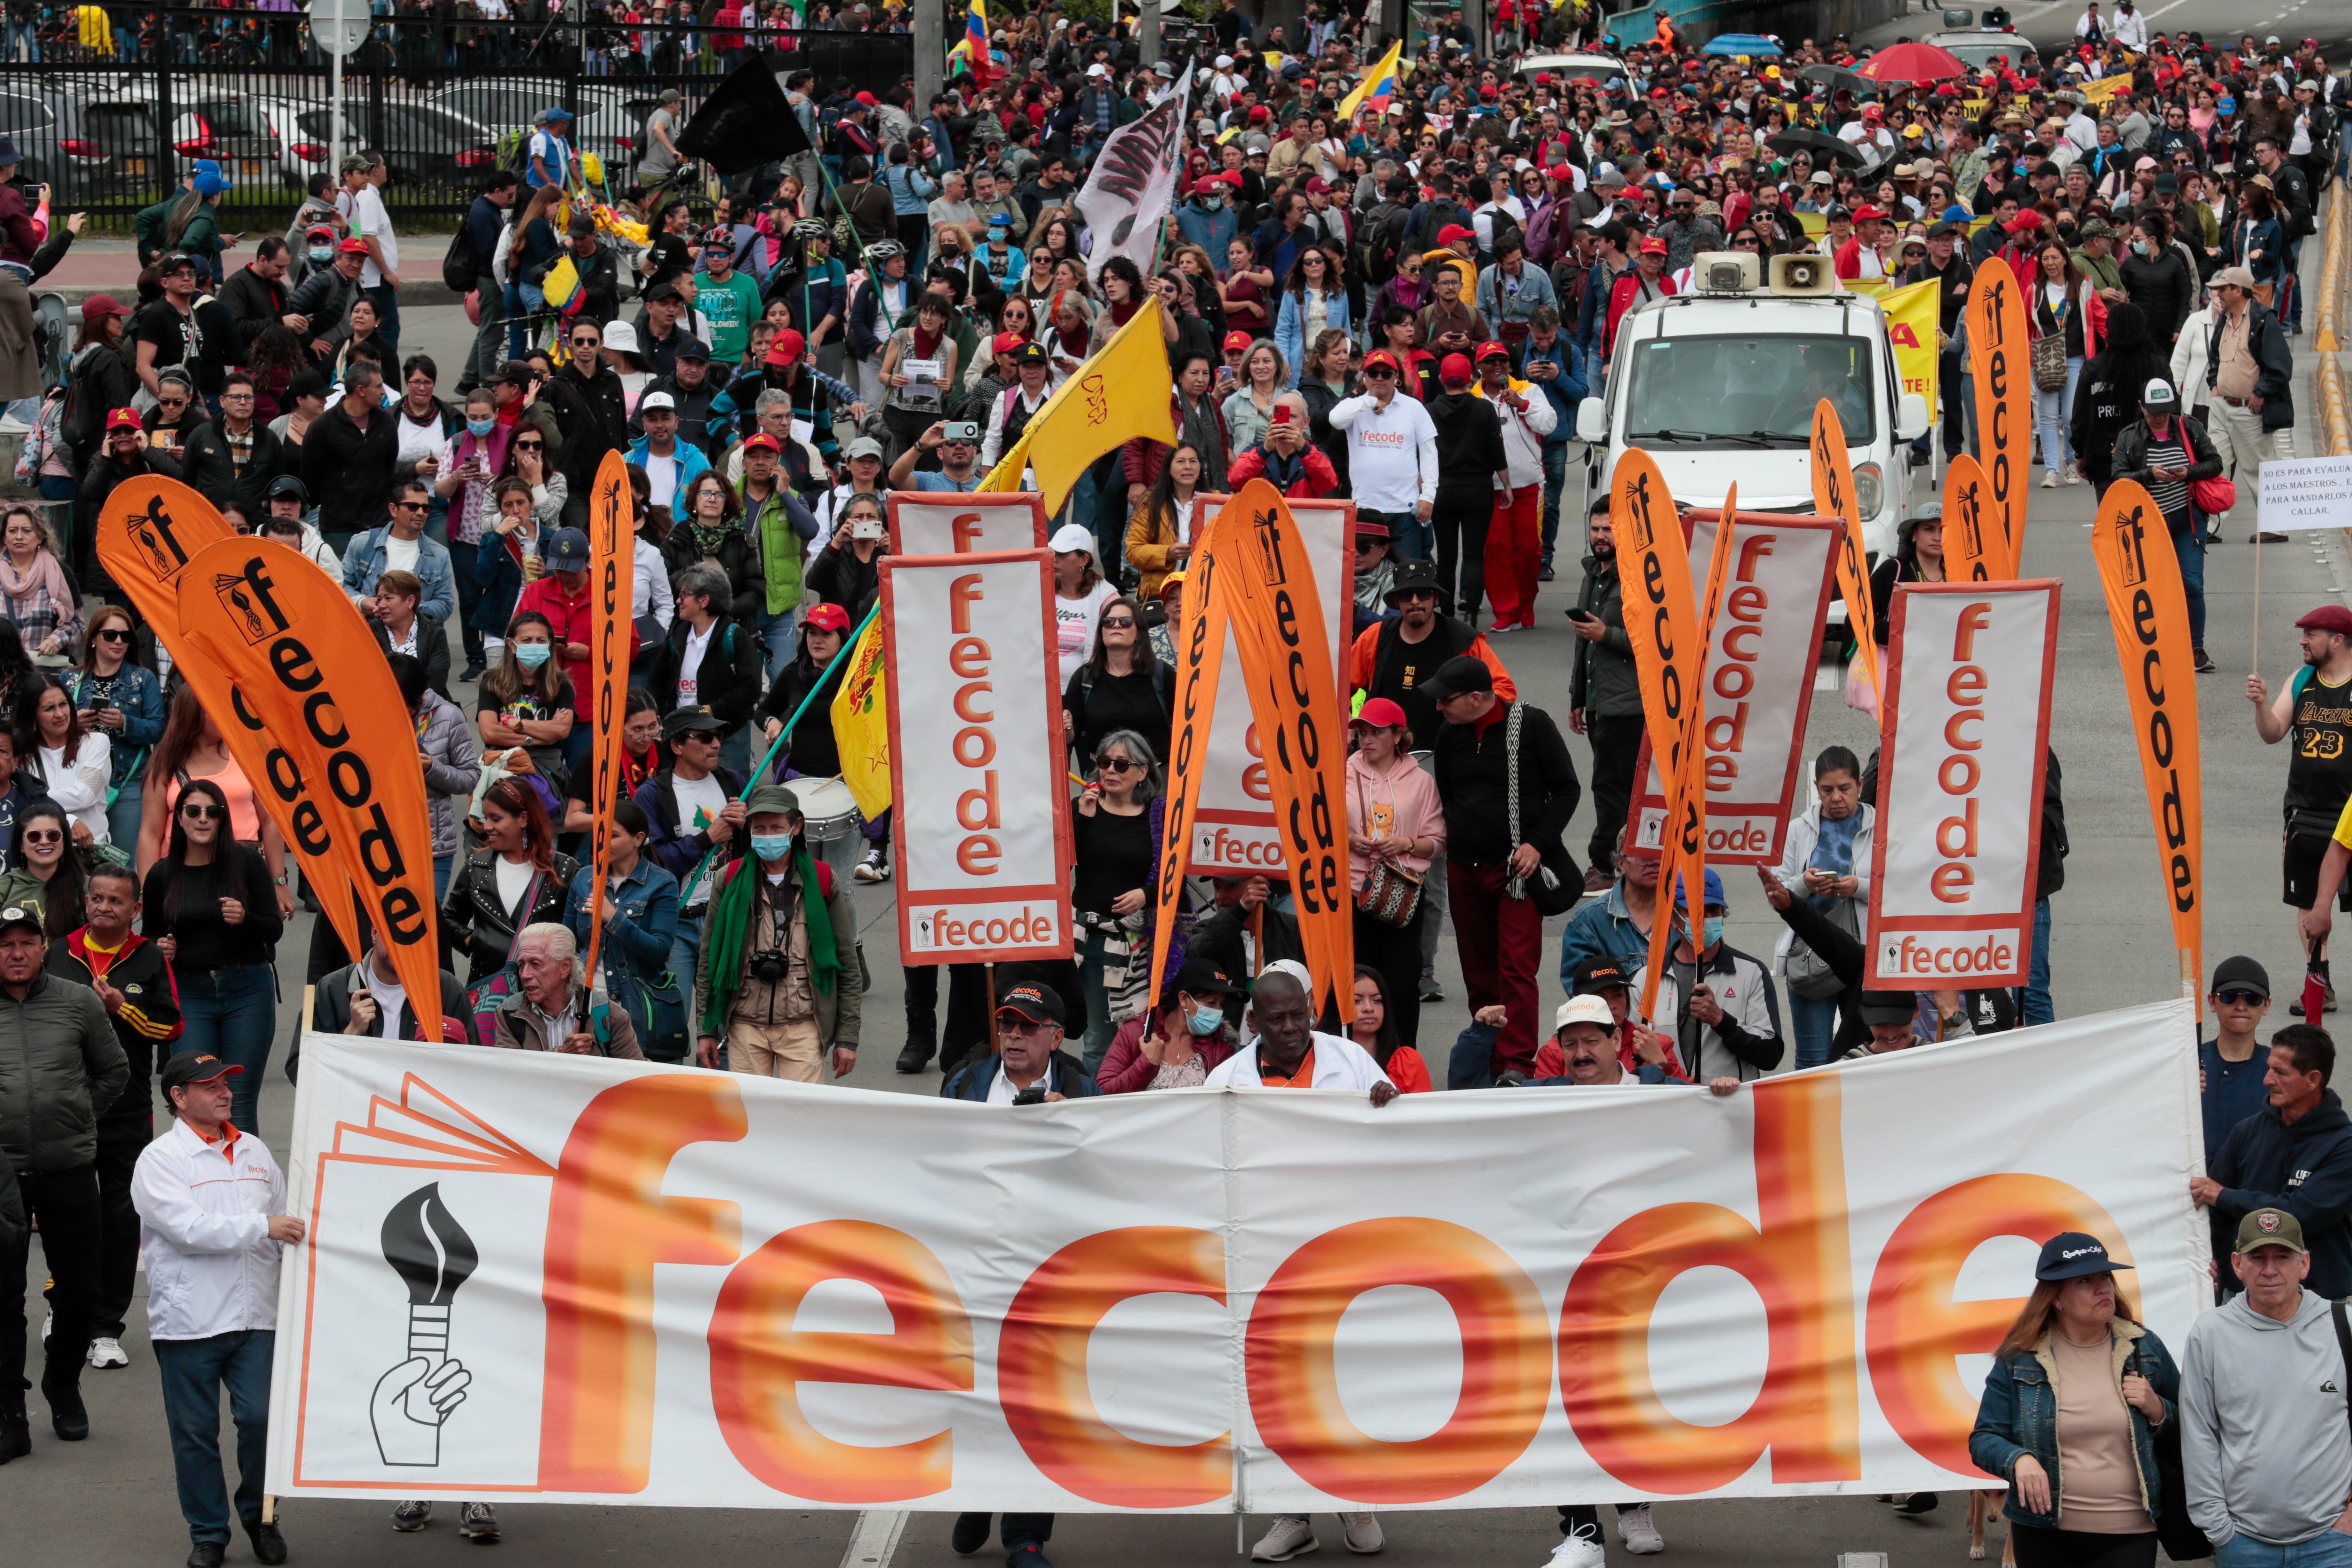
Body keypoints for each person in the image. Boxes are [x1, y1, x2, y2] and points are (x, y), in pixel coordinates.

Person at [129, 1051, 302, 1568]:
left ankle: (261, 1516)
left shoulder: (254, 1151)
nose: (224, 1092)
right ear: (179, 1098)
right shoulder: (159, 1160)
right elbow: (188, 1231)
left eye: (226, 1082)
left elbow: (286, 1222)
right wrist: (262, 1229)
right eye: (209, 1086)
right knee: (195, 1433)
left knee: (261, 1420)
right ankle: (208, 1532)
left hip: (258, 1317)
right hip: (189, 1320)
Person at [0, 898, 124, 1462]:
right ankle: (9, 1411)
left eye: (27, 942)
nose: (17, 953)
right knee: (2, 1299)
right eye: (5, 945)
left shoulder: (77, 1003)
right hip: (2, 1177)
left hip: (68, 1166)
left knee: (80, 1290)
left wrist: (76, 1115)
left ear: (43, 948)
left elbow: (114, 1071)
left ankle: (63, 1382)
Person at [1967, 1232, 2175, 1568]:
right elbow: (1984, 1438)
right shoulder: (2019, 1358)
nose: (2102, 1287)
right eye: (2085, 1280)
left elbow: (2196, 1429)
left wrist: (2159, 1410)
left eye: (2105, 1276)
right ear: (2056, 1298)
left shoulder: (2146, 1348)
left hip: (2129, 1532)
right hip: (2042, 1531)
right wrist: (2019, 1459)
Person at [42, 861, 178, 1375]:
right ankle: (62, 1309)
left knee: (122, 1219)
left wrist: (124, 1008)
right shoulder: (60, 953)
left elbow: (171, 1027)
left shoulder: (147, 959)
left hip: (126, 1110)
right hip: (65, 1109)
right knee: (66, 1213)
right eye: (96, 898)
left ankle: (104, 1327)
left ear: (135, 909)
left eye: (115, 900)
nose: (103, 907)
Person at [1424, 653, 1579, 1080]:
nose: (1438, 707)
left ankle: (1516, 1063)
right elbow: (1448, 795)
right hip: (1464, 869)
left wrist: (1536, 843)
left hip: (1516, 874)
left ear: (1476, 697)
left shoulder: (1532, 725)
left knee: (1516, 969)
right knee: (1477, 969)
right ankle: (1487, 1053)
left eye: (1445, 700)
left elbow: (1567, 789)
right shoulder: (1449, 733)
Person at [2179, 1207, 2352, 1564]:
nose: (2270, 1270)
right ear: (2237, 1264)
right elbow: (2199, 1434)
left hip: (2335, 1542)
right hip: (2243, 1543)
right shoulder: (2210, 1333)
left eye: (2282, 1256)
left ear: (2304, 1263)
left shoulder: (2344, 1325)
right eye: (2257, 1257)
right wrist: (2218, 1528)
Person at [140, 779, 280, 1134]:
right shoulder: (161, 875)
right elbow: (149, 936)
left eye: (212, 812)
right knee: (195, 1098)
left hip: (247, 987)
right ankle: (196, 1186)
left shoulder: (247, 862)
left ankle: (247, 1187)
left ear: (222, 819)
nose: (203, 819)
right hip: (189, 992)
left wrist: (245, 918)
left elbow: (273, 928)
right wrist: (161, 948)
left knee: (239, 1100)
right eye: (193, 811)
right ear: (180, 819)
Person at [694, 783, 860, 1082]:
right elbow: (709, 958)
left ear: (796, 827)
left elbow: (847, 962)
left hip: (804, 1025)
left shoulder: (823, 880)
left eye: (776, 827)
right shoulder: (728, 879)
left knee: (802, 1119)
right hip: (745, 1024)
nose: (767, 835)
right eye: (759, 828)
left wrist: (848, 1038)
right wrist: (706, 1030)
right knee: (750, 1120)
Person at [2192, 1024, 2352, 1298]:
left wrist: (2226, 1197)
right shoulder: (2247, 1131)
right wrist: (2210, 1260)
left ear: (2313, 1079)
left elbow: (2300, 1214)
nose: (2266, 1080)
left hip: (2319, 1302)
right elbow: (2212, 1214)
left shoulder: (2343, 1146)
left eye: (2280, 1072)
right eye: (2269, 1068)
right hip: (2241, 1296)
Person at [2251, 605, 2352, 1013]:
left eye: (2311, 633)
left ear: (2338, 639)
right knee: (2308, 904)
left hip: (2349, 814)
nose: (2302, 640)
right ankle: (2319, 979)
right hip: (2305, 812)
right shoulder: (2302, 681)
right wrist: (2260, 705)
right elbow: (2273, 733)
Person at [1346, 697, 1443, 1052]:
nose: (1366, 739)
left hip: (1401, 895)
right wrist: (1350, 839)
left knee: (1402, 985)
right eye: (1362, 732)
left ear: (1399, 735)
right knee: (1358, 984)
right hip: (1354, 893)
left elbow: (1437, 842)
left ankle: (1404, 1060)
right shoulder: (1342, 772)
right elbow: (1320, 830)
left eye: (1376, 732)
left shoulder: (1420, 781)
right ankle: (1359, 1059)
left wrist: (1405, 843)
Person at [1632, 866, 1785, 1086]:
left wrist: (1721, 1020)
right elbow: (1630, 1055)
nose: (1706, 918)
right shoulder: (1647, 979)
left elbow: (1771, 1056)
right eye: (1695, 910)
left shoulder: (1751, 972)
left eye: (1714, 910)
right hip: (1666, 1104)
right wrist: (1670, 1073)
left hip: (1728, 1104)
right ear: (1673, 917)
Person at [2110, 377, 2222, 671]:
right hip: (2149, 525)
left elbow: (2215, 463)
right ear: (2142, 408)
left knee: (2192, 584)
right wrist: (2149, 475)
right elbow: (2118, 477)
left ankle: (2195, 648)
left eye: (2165, 411)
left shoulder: (2190, 427)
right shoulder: (2129, 436)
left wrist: (2189, 472)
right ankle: (2157, 647)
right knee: (2154, 588)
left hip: (2189, 521)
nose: (2160, 417)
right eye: (2153, 412)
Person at [1772, 747, 1874, 1071]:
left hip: (1864, 956)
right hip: (1810, 955)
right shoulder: (1798, 829)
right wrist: (1805, 883)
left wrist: (1857, 886)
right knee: (1813, 1060)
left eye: (1844, 788)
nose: (1836, 798)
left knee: (1864, 1056)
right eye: (1827, 790)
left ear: (1859, 784)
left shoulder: (1882, 827)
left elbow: (1900, 889)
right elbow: (1777, 890)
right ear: (1816, 788)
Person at [562, 799, 683, 1064]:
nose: (602, 843)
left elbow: (659, 951)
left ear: (638, 839)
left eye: (613, 836)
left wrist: (614, 918)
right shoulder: (584, 878)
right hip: (584, 1004)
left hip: (635, 1009)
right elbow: (566, 943)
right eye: (599, 835)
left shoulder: (662, 883)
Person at [1568, 494, 1641, 888]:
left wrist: (1607, 634)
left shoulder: (1638, 578)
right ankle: (1624, 860)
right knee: (1613, 785)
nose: (1600, 536)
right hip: (1600, 704)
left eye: (1608, 529)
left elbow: (1655, 641)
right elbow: (1584, 646)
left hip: (1628, 705)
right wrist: (1578, 698)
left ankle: (1605, 863)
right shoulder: (1592, 575)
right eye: (1595, 529)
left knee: (1612, 786)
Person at [440, 776, 575, 985]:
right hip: (487, 990)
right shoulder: (476, 865)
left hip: (545, 992)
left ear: (523, 819)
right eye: (486, 818)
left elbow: (579, 935)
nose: (487, 827)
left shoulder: (564, 870)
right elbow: (448, 918)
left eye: (496, 819)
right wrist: (474, 941)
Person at [2200, 266, 2298, 536]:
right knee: (2214, 465)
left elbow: (2280, 365)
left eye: (2223, 288)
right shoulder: (2225, 318)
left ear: (2238, 291)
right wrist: (2215, 385)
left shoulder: (2263, 320)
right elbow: (2215, 356)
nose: (2218, 293)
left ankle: (2275, 527)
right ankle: (2210, 526)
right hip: (2222, 406)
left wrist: (2261, 392)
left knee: (2258, 469)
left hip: (2249, 409)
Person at [1329, 348, 1440, 561]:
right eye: (1373, 373)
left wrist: (1428, 496)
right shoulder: (1356, 406)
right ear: (1365, 377)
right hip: (1365, 508)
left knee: (1408, 576)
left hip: (1405, 510)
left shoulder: (1413, 407)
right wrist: (1370, 401)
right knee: (1365, 576)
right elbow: (1335, 419)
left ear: (1396, 377)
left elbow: (1429, 454)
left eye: (1386, 374)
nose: (1379, 378)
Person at [485, 923, 646, 1059]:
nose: (525, 975)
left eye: (536, 964)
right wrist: (561, 1054)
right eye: (521, 965)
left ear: (565, 967)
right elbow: (509, 1074)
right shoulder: (510, 1013)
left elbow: (634, 1079)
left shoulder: (608, 1015)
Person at [1094, 959, 1241, 1093]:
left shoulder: (1221, 1045)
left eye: (1222, 1005)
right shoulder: (1136, 1031)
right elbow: (1103, 1092)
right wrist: (1147, 1063)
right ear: (1184, 999)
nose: (1218, 1011)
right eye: (1211, 1003)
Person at [1063, 600, 1172, 769]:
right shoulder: (1085, 678)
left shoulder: (1161, 674)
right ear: (1101, 632)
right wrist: (1067, 728)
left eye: (1126, 621)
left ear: (1138, 633)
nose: (1116, 626)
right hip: (1103, 777)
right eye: (1108, 622)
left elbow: (1186, 725)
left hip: (1156, 778)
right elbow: (1071, 737)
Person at [2202, 957, 2276, 1157]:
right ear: (2212, 1001)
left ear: (2267, 1005)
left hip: (2254, 1187)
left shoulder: (2279, 1072)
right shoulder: (2188, 1065)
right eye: (2229, 997)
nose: (2241, 1006)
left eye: (2253, 998)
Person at [1346, 964, 1434, 1093]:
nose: (1369, 1008)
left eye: (1377, 1000)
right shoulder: (1319, 1058)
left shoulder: (1408, 1063)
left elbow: (1426, 1111)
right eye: (1357, 1001)